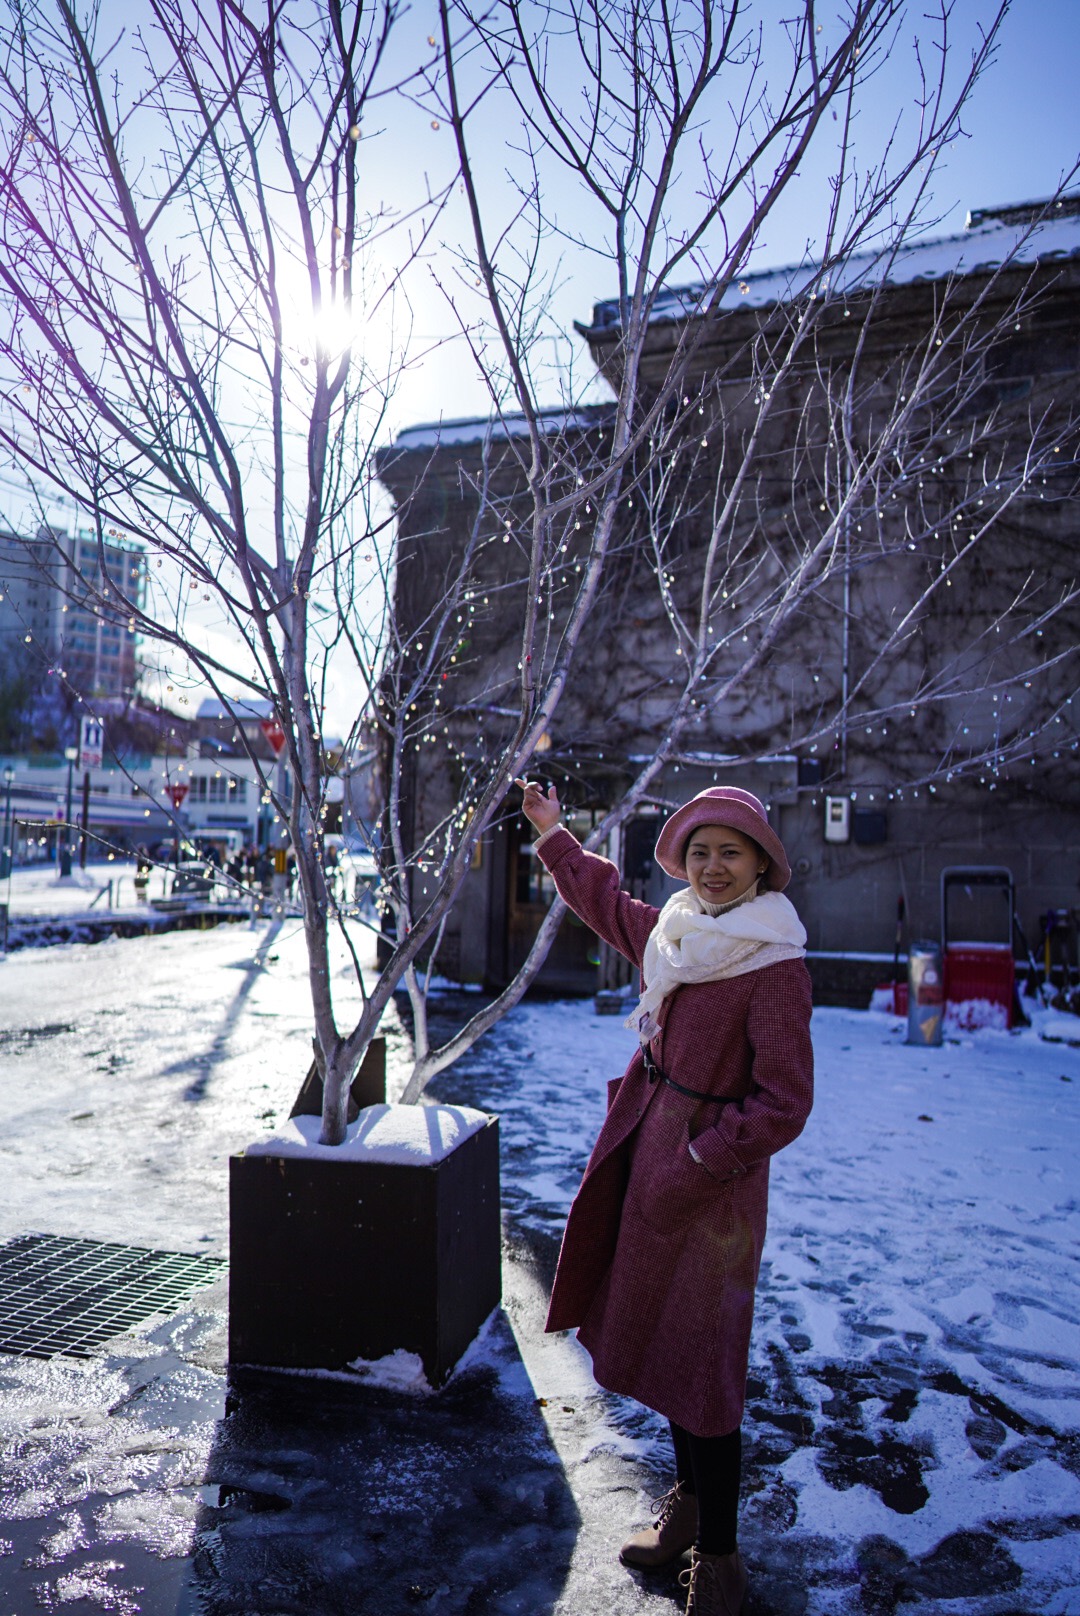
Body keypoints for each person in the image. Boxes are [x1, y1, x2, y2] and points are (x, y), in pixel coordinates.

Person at [517, 779, 814, 1616]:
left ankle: (718, 1559)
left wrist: (699, 1158)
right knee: (670, 1353)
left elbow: (785, 1101)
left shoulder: (774, 962)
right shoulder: (681, 933)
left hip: (711, 1192)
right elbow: (605, 903)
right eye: (700, 852)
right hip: (649, 1156)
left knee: (708, 1370)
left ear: (761, 864)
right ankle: (687, 1504)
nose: (712, 867)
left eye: (731, 852)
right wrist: (552, 833)